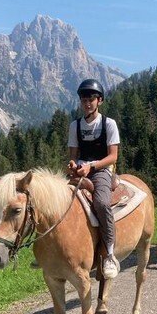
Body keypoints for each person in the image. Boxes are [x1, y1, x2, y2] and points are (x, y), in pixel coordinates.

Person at [67, 79, 121, 279]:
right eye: (84, 100)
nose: (87, 103)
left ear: (100, 101)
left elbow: (113, 156)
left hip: (102, 170)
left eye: (91, 99)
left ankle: (109, 254)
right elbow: (73, 155)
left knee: (102, 203)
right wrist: (73, 165)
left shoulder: (109, 124)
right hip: (81, 169)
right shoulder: (75, 125)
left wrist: (91, 166)